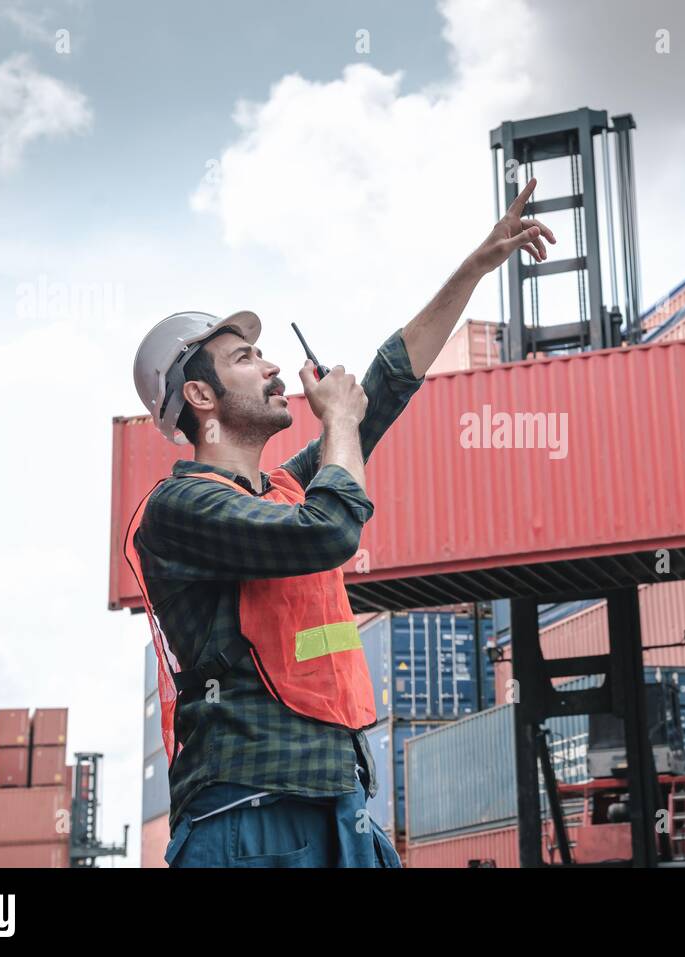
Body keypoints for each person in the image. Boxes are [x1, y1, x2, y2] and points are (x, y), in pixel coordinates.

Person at [127, 179, 555, 867]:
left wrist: (475, 266)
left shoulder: (282, 488)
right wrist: (341, 422)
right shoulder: (179, 509)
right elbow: (329, 530)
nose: (272, 368)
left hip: (339, 806)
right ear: (200, 396)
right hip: (248, 817)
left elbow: (386, 382)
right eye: (245, 359)